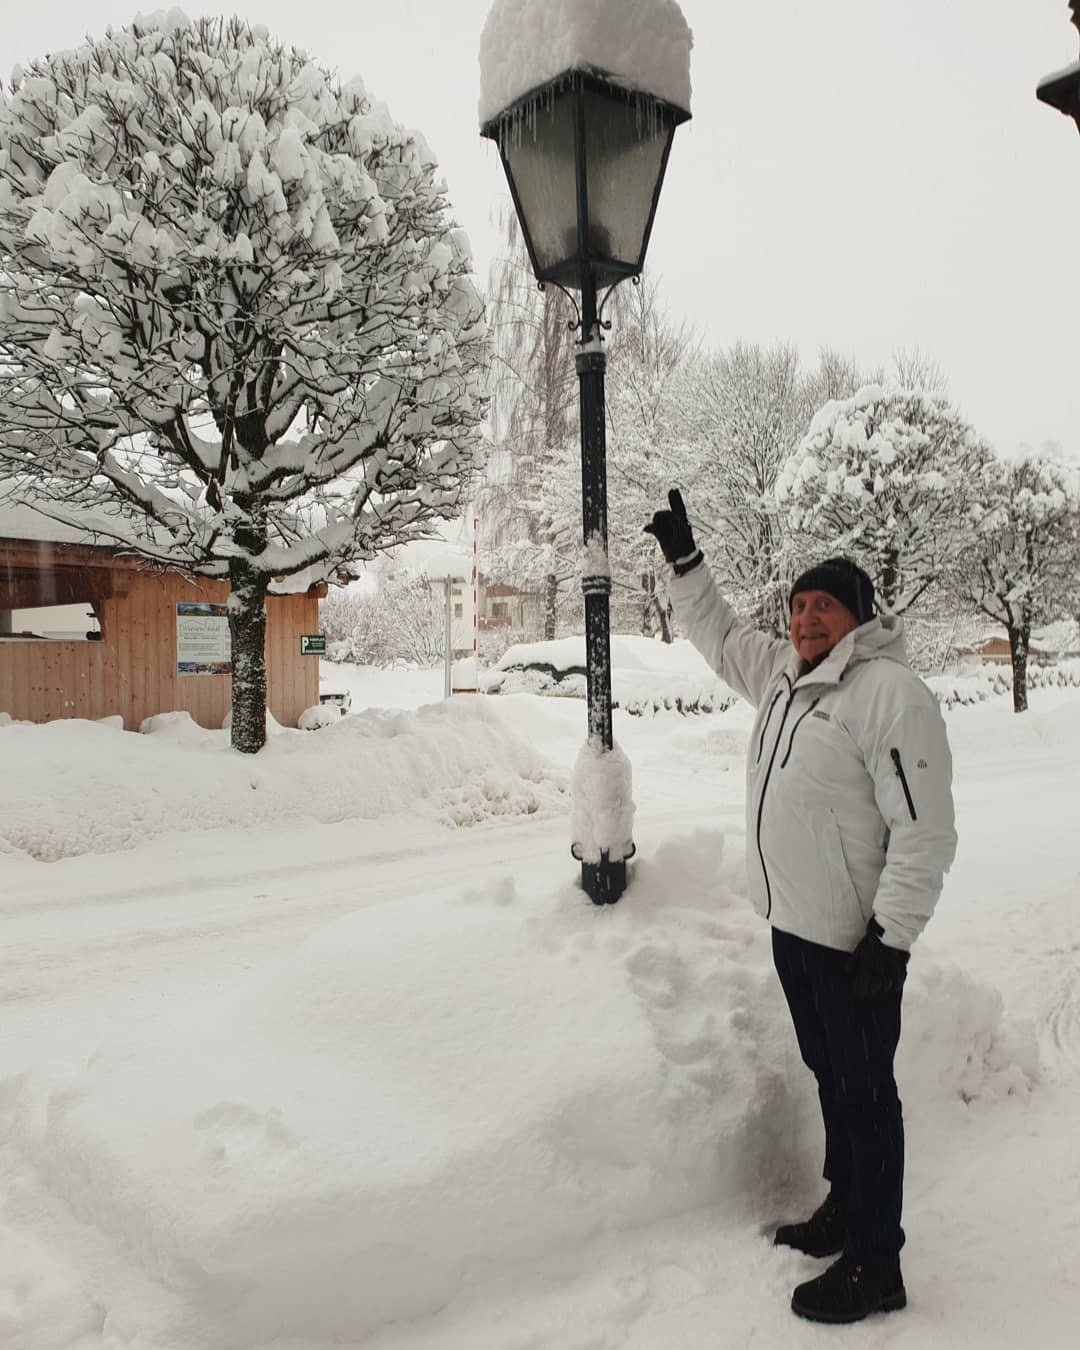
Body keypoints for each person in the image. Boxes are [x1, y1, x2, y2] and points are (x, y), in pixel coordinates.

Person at [645, 489, 957, 1325]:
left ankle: (876, 1263)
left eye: (824, 605)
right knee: (833, 1076)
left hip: (859, 942)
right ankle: (844, 1206)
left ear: (857, 618)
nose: (806, 617)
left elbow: (925, 833)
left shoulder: (887, 694)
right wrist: (687, 563)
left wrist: (890, 944)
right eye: (798, 605)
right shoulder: (787, 675)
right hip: (797, 929)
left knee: (867, 1094)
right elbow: (716, 635)